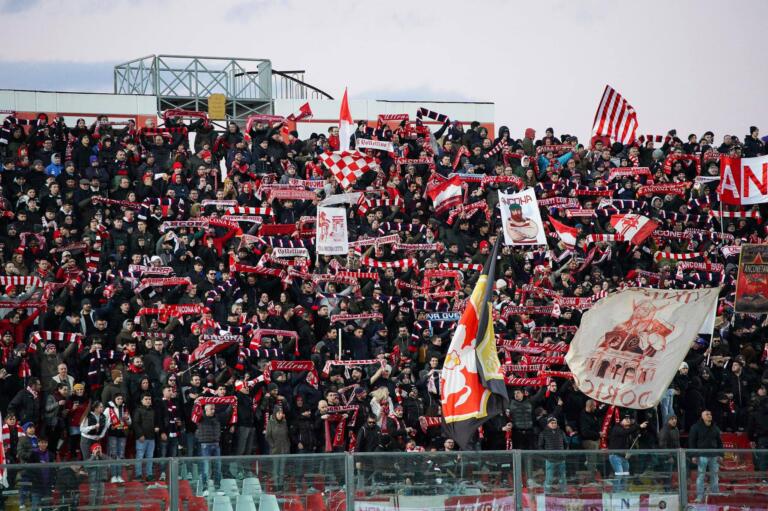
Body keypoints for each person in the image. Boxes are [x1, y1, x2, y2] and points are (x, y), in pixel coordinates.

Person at [689, 410, 723, 502]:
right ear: (702, 417)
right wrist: (694, 455)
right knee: (701, 476)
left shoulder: (715, 427)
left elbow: (720, 442)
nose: (709, 415)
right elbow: (692, 442)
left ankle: (715, 494)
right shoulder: (696, 427)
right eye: (707, 414)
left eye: (710, 414)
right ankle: (700, 496)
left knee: (715, 476)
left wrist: (720, 454)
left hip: (714, 455)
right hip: (702, 456)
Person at [608, 415, 648, 491]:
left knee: (625, 475)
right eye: (626, 419)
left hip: (624, 457)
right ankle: (616, 491)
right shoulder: (617, 428)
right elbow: (624, 432)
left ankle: (623, 491)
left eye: (629, 420)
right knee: (619, 474)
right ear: (621, 420)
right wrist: (639, 426)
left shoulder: (628, 432)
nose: (627, 420)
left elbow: (629, 442)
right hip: (615, 456)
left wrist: (629, 453)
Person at [196, 403, 222, 496]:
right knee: (205, 468)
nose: (213, 411)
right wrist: (196, 403)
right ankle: (205, 488)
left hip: (216, 444)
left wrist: (232, 404)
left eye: (214, 409)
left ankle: (217, 487)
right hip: (205, 445)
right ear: (206, 409)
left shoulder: (217, 418)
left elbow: (227, 414)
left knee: (218, 467)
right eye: (211, 409)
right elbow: (194, 413)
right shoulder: (200, 417)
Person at [537, 416, 567, 492]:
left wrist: (564, 454)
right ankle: (547, 493)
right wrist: (547, 456)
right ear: (548, 424)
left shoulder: (561, 432)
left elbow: (566, 444)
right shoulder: (543, 433)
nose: (554, 424)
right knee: (549, 478)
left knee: (562, 478)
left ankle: (564, 492)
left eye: (555, 423)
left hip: (561, 459)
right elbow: (540, 446)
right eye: (552, 423)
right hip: (550, 460)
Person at [132, 394, 157, 482]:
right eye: (146, 399)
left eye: (149, 399)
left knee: (150, 457)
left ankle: (149, 474)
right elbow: (135, 423)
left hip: (151, 437)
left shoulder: (153, 411)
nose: (148, 400)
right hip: (141, 438)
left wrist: (156, 427)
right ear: (141, 400)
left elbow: (156, 422)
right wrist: (140, 435)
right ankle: (138, 475)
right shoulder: (138, 410)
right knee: (140, 456)